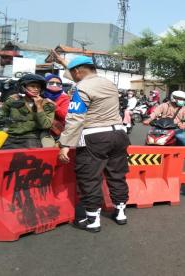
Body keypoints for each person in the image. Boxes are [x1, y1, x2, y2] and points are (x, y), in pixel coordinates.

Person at [57, 56, 130, 233]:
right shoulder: (109, 84)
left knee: (89, 176)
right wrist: (64, 63)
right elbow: (78, 73)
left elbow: (75, 118)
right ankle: (120, 212)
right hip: (119, 134)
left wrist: (65, 143)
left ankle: (92, 220)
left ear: (78, 72)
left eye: (72, 74)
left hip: (95, 136)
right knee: (117, 174)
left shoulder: (81, 88)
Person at [0, 74, 55, 149]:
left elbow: (45, 125)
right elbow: (0, 118)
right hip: (10, 136)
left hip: (31, 137)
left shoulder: (47, 104)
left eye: (38, 87)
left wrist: (39, 106)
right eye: (32, 86)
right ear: (23, 87)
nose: (36, 89)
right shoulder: (13, 100)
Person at [41, 74, 70, 146]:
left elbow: (64, 115)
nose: (54, 85)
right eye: (51, 83)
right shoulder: (39, 96)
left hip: (59, 130)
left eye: (58, 83)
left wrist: (54, 105)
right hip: (42, 130)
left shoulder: (64, 98)